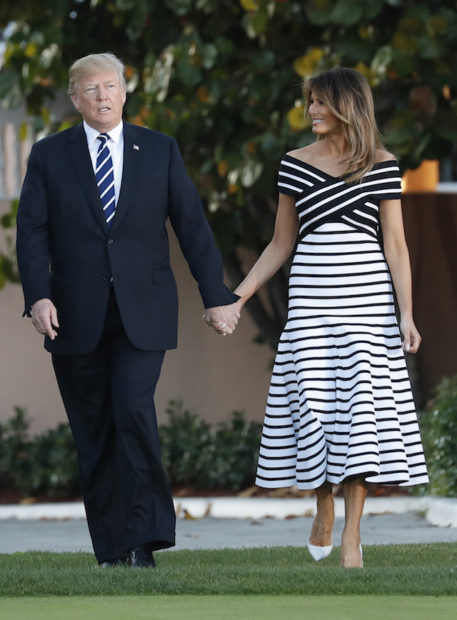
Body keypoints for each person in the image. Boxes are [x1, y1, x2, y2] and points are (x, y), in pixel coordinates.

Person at [16, 52, 240, 568]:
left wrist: (216, 295)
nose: (101, 96)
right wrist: (38, 296)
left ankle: (146, 538)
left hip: (144, 309)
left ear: (124, 92)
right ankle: (112, 548)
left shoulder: (159, 149)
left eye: (110, 85)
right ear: (74, 98)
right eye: (90, 88)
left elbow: (191, 224)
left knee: (133, 411)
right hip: (72, 312)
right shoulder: (50, 155)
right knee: (93, 428)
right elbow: (32, 231)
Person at [232, 67, 428, 568]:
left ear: (347, 105)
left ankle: (353, 535)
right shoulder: (293, 165)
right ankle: (323, 506)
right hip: (312, 304)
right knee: (315, 410)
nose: (312, 111)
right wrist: (238, 297)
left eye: (321, 102)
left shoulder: (383, 165)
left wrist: (406, 314)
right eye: (311, 102)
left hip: (367, 306)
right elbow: (281, 244)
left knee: (361, 419)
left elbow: (396, 245)